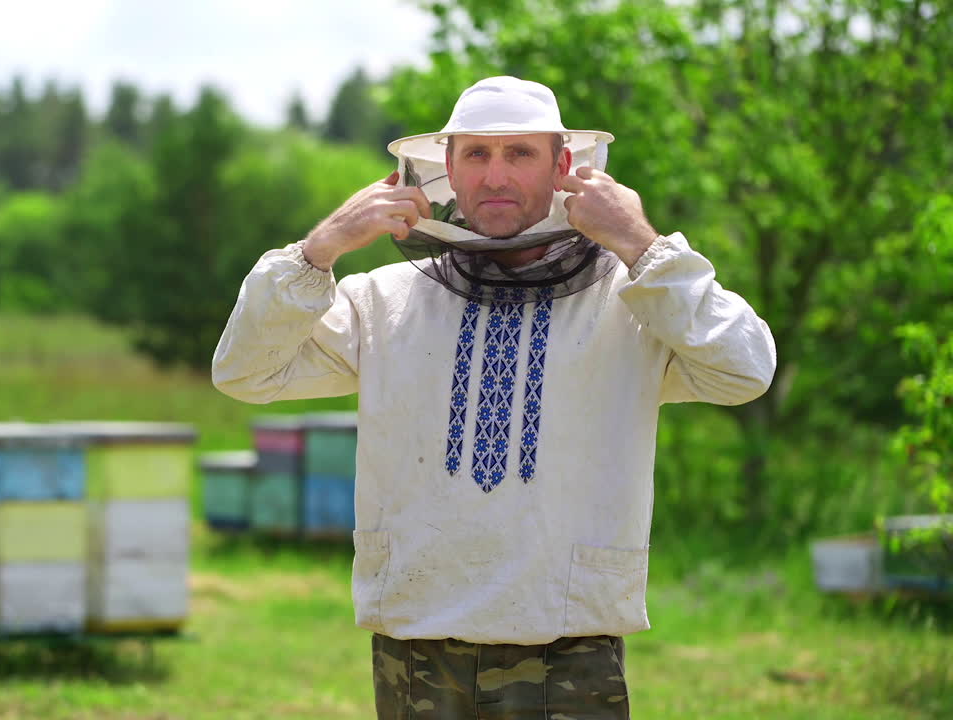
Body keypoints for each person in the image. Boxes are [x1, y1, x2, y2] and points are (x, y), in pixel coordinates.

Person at [212, 76, 776, 719]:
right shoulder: (385, 300)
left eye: (520, 153)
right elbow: (245, 372)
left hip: (568, 644)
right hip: (418, 641)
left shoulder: (634, 300)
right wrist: (320, 249)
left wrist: (643, 245)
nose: (495, 175)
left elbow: (746, 369)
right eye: (476, 154)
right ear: (448, 170)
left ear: (565, 166)